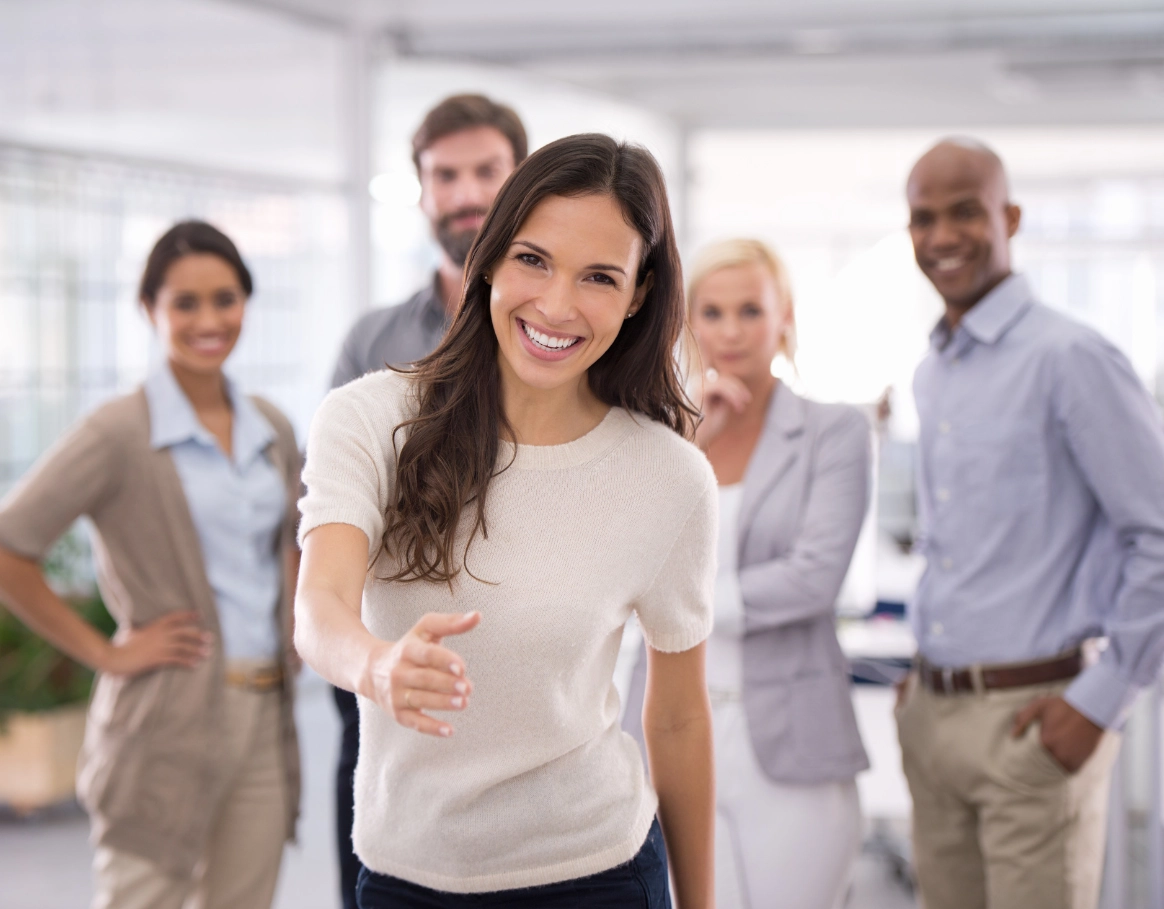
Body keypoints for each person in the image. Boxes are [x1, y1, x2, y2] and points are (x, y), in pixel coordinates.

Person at [295, 133, 716, 908]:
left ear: (638, 294)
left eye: (599, 277)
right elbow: (318, 608)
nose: (556, 305)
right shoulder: (368, 419)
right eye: (533, 259)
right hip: (408, 876)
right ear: (488, 257)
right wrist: (374, 666)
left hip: (602, 874)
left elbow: (681, 715)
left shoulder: (670, 476)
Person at [0, 221, 303, 909]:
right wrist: (105, 651)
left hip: (265, 714)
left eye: (225, 299)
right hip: (164, 719)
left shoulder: (271, 426)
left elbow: (291, 533)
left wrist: (292, 621)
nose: (208, 320)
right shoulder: (118, 431)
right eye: (184, 303)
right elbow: (9, 545)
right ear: (149, 310)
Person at [897, 137, 1164, 909]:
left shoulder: (1071, 357)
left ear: (1009, 216)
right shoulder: (932, 369)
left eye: (964, 212)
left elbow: (1157, 533)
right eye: (923, 218)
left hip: (1035, 722)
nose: (942, 236)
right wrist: (924, 682)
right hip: (934, 718)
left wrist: (1102, 699)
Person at [624, 238, 871, 909]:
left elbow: (814, 577)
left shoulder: (834, 432)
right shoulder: (656, 434)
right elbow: (622, 559)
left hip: (789, 746)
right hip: (663, 734)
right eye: (712, 311)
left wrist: (678, 605)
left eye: (750, 311)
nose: (730, 331)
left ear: (783, 318)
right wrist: (690, 441)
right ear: (685, 322)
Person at [326, 93, 527, 909]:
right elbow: (333, 509)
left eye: (486, 171)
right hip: (388, 666)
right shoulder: (372, 344)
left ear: (522, 180)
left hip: (524, 664)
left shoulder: (562, 326)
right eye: (445, 175)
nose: (465, 192)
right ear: (421, 192)